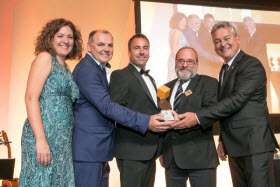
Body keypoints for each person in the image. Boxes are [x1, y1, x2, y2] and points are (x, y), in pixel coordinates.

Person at [173, 22, 279, 187]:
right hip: (236, 148)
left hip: (254, 146)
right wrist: (223, 139)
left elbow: (236, 101)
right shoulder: (225, 69)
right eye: (217, 41)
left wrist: (198, 117)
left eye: (226, 38)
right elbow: (228, 109)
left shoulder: (251, 64)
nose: (222, 44)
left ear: (237, 38)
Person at [72, 30, 172, 187]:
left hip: (136, 150)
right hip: (120, 149)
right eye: (100, 44)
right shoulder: (108, 73)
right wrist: (146, 122)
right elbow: (110, 107)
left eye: (110, 45)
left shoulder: (150, 79)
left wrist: (169, 116)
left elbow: (154, 107)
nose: (106, 48)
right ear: (89, 46)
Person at [19, 18, 83, 186]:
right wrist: (41, 140)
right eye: (60, 35)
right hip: (43, 136)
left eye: (70, 37)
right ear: (50, 38)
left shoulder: (66, 67)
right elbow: (30, 98)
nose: (66, 41)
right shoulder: (45, 57)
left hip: (62, 141)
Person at [109, 34, 165, 187]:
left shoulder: (151, 79)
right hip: (132, 152)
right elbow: (115, 110)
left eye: (145, 48)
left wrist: (169, 115)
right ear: (129, 52)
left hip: (150, 151)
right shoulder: (120, 75)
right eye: (137, 48)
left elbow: (151, 108)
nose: (141, 52)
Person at [161, 46, 219, 187]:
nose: (185, 65)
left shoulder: (209, 83)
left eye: (190, 61)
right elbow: (161, 116)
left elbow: (213, 111)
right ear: (175, 63)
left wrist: (195, 118)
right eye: (180, 61)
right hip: (172, 159)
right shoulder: (164, 88)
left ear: (197, 64)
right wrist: (161, 150)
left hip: (201, 159)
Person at [243, 16, 273, 111]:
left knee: (266, 95)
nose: (248, 27)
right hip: (256, 71)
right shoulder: (249, 37)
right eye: (246, 26)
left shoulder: (259, 36)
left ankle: (269, 114)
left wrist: (240, 59)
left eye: (249, 25)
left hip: (263, 71)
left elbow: (254, 52)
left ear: (254, 24)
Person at [167, 12, 189, 82]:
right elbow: (175, 50)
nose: (184, 24)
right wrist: (181, 63)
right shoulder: (177, 31)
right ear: (177, 21)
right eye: (183, 21)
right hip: (176, 61)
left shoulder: (173, 31)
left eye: (185, 22)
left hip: (175, 60)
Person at [198, 13, 222, 78]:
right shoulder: (202, 34)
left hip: (215, 65)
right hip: (207, 65)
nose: (212, 24)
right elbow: (205, 50)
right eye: (209, 22)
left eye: (213, 22)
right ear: (205, 23)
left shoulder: (214, 33)